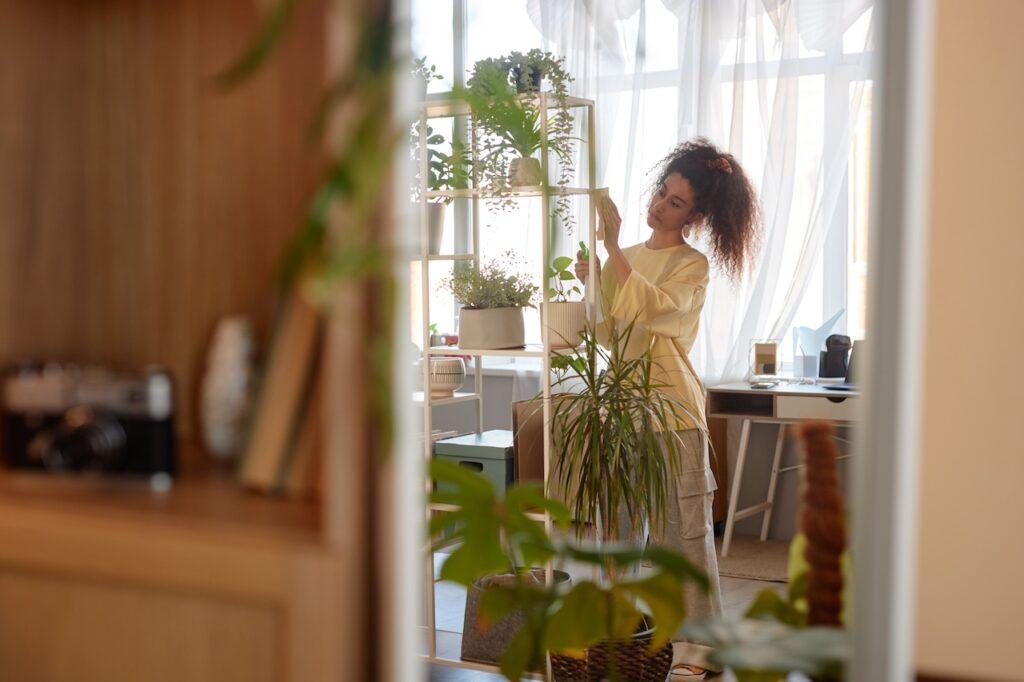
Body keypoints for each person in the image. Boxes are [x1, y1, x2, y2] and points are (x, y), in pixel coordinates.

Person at [576, 138, 760, 673]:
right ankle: (623, 640)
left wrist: (611, 255)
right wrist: (593, 284)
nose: (660, 204)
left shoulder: (692, 266)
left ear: (696, 215)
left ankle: (698, 650)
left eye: (676, 202)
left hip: (672, 409)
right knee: (620, 528)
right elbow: (610, 334)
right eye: (662, 192)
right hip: (621, 408)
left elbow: (660, 316)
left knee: (686, 533)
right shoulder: (626, 258)